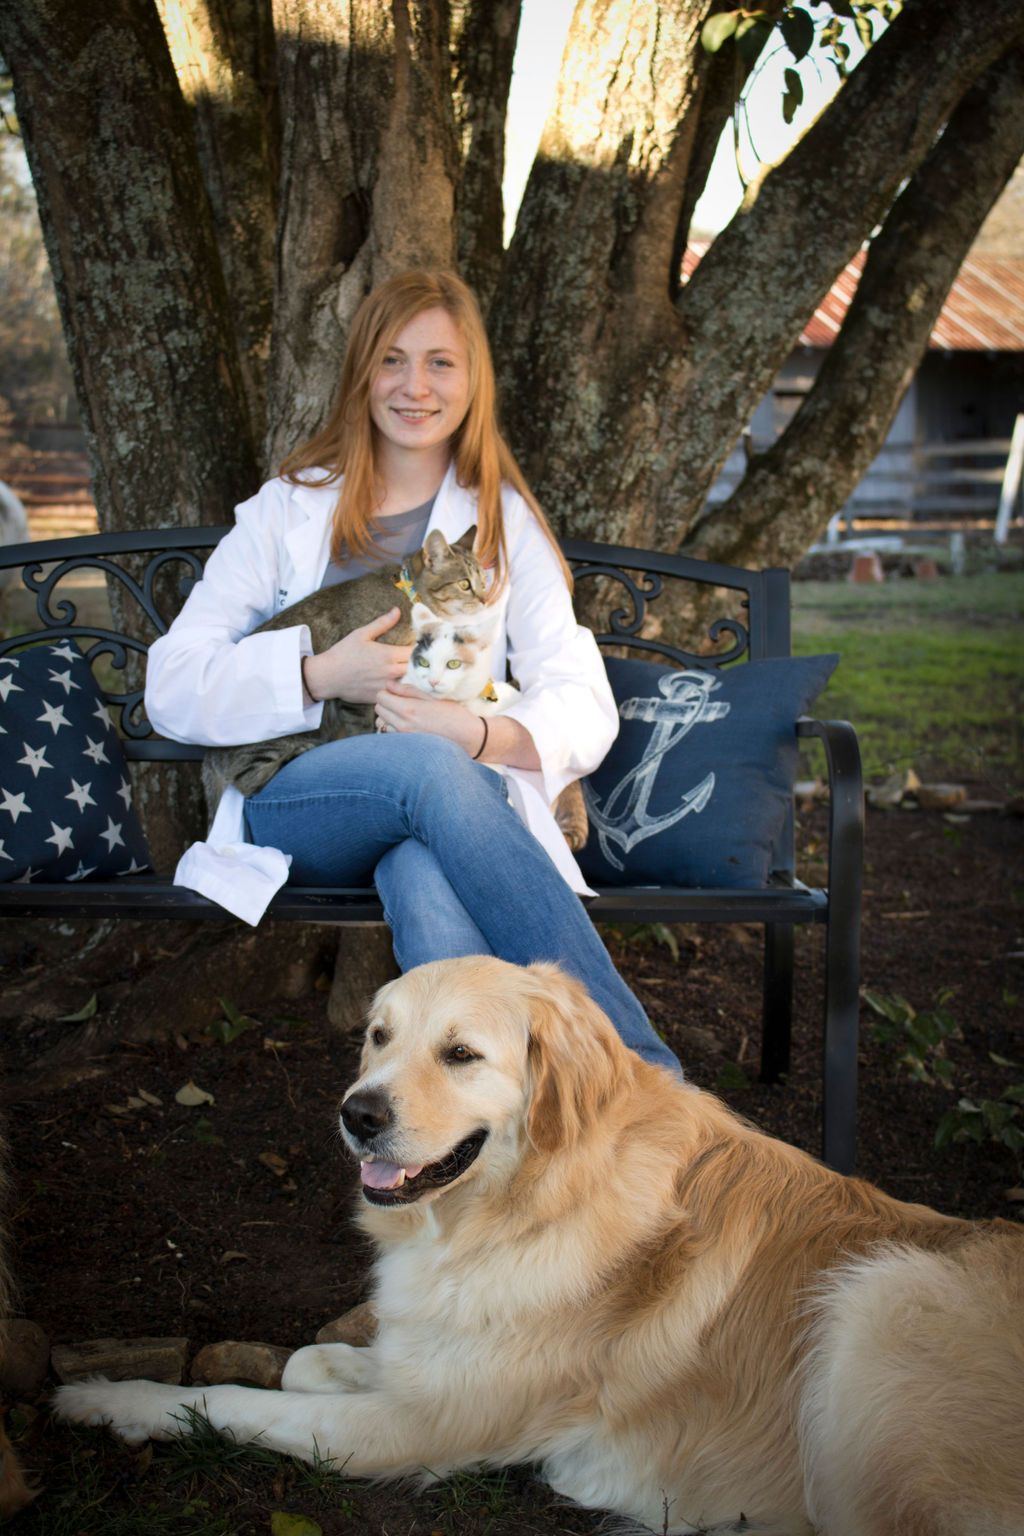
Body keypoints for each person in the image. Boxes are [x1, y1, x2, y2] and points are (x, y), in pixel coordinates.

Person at [146, 270, 679, 1073]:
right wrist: (317, 675)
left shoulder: (502, 521)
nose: (414, 386)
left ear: (472, 381)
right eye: (392, 360)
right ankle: (638, 1075)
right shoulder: (286, 510)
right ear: (362, 373)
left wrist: (477, 733)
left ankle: (477, 1134)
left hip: (445, 815)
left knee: (425, 869)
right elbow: (172, 684)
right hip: (297, 803)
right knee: (426, 770)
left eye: (440, 363)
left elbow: (581, 699)